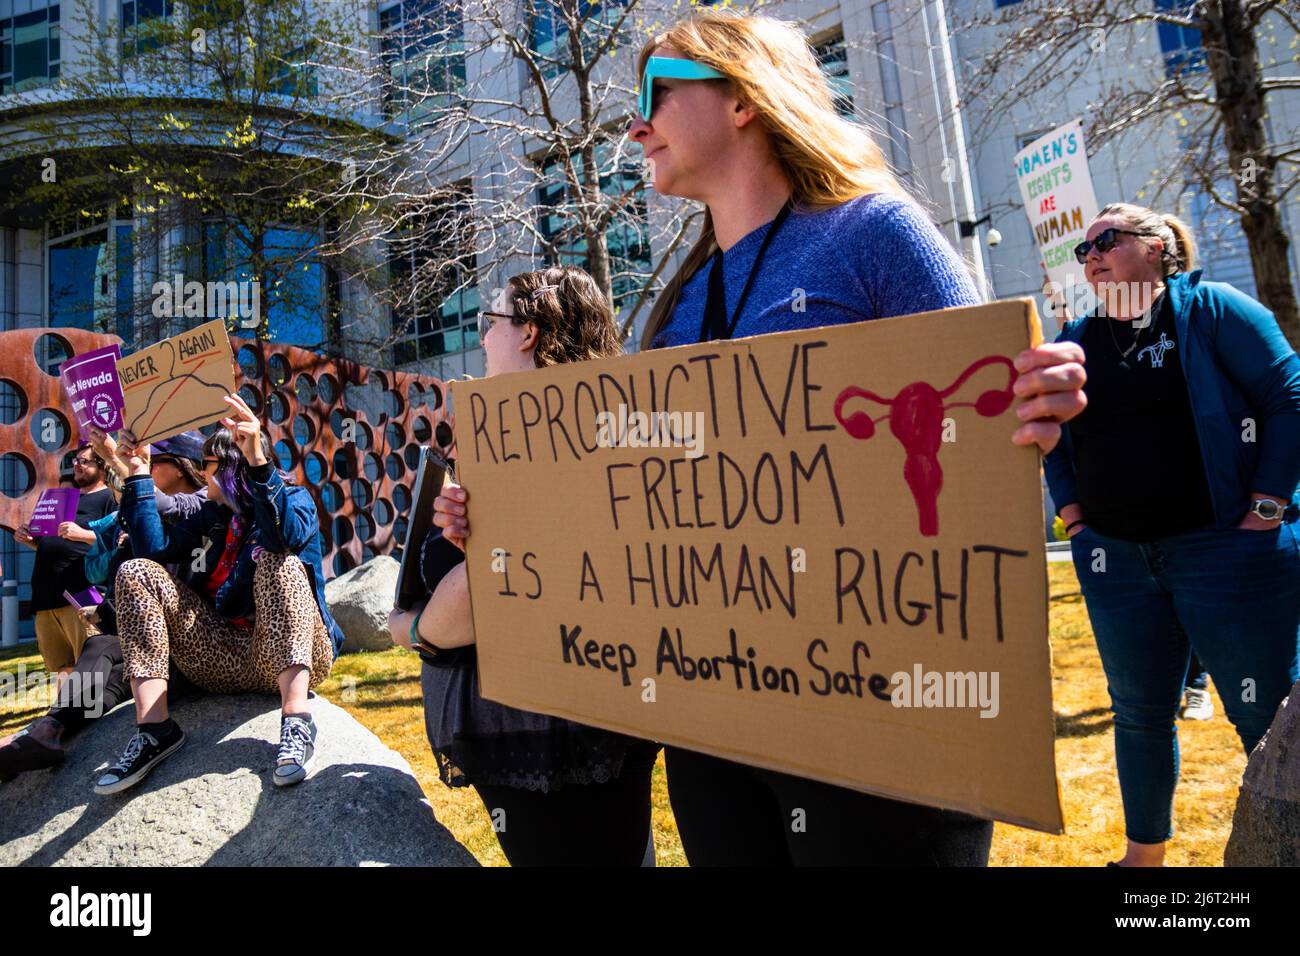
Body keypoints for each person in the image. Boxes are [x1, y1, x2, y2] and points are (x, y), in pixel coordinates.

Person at [434, 11, 1087, 866]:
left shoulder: (873, 234)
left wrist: (1038, 399)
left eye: (656, 94)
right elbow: (637, 499)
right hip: (715, 734)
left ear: (742, 99)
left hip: (883, 723)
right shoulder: (681, 299)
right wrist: (494, 516)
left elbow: (977, 408)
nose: (635, 123)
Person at [1045, 201, 1300, 866]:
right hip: (1118, 564)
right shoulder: (1077, 334)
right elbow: (1055, 437)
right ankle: (1143, 861)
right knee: (1138, 713)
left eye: (1106, 240)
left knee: (1267, 717)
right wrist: (1075, 520)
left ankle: (1283, 848)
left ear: (1156, 247)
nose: (1091, 255)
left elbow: (1289, 396)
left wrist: (1268, 507)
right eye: (1083, 249)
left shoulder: (1213, 310)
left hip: (1226, 552)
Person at [388, 267, 661, 866]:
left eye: (491, 322)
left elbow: (487, 594)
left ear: (529, 332)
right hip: (590, 720)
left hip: (545, 734)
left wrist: (409, 630)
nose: (483, 338)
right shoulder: (585, 435)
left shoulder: (557, 447)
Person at [91, 397, 344, 795]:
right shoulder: (212, 516)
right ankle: (155, 730)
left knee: (279, 561)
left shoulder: (294, 499)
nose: (200, 476)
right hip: (223, 656)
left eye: (206, 466)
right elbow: (153, 551)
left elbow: (281, 537)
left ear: (229, 469)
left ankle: (297, 720)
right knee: (136, 572)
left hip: (293, 650)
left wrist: (258, 460)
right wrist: (138, 473)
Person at [0, 432, 208, 782]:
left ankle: (52, 728)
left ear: (182, 468)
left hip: (194, 632)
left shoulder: (204, 503)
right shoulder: (135, 510)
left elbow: (163, 514)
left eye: (155, 463)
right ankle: (48, 730)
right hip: (152, 636)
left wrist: (119, 463)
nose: (148, 468)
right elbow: (107, 539)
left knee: (112, 652)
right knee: (105, 655)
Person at [13, 446, 115, 682]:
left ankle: (92, 713)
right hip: (45, 598)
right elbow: (52, 543)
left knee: (89, 665)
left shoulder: (110, 498)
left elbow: (117, 541)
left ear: (102, 466)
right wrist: (30, 540)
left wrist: (83, 534)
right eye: (76, 460)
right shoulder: (65, 498)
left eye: (85, 461)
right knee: (61, 668)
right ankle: (63, 714)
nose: (77, 465)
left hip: (80, 596)